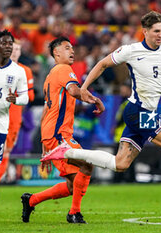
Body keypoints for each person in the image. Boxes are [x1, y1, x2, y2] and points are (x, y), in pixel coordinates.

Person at [42, 11, 161, 215]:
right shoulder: (131, 50)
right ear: (145, 31)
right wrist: (84, 88)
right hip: (137, 111)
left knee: (121, 164)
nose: (160, 35)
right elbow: (102, 64)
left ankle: (68, 152)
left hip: (147, 111)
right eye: (155, 31)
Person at [21, 37, 104, 224]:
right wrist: (94, 99)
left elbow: (45, 112)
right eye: (67, 48)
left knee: (72, 183)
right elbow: (74, 91)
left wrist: (44, 143)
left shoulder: (50, 76)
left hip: (53, 135)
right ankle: (74, 213)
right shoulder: (65, 70)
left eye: (72, 48)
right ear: (56, 53)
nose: (72, 51)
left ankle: (31, 200)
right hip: (59, 135)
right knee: (86, 165)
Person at [0, 39, 35, 204]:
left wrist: (16, 96)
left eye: (18, 49)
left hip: (13, 120)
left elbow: (30, 96)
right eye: (12, 48)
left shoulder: (24, 71)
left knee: (3, 156)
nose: (14, 51)